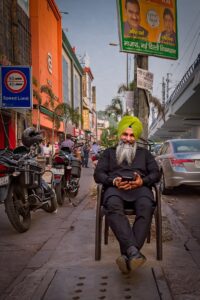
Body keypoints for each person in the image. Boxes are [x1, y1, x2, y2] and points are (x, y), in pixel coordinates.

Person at [94, 116, 161, 274]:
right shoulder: (109, 153)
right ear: (119, 135)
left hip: (140, 190)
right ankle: (134, 253)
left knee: (146, 206)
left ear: (136, 137)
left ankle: (128, 254)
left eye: (132, 136)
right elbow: (98, 174)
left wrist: (142, 181)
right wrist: (113, 181)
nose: (128, 139)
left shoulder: (144, 154)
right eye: (125, 134)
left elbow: (156, 174)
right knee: (112, 205)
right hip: (115, 189)